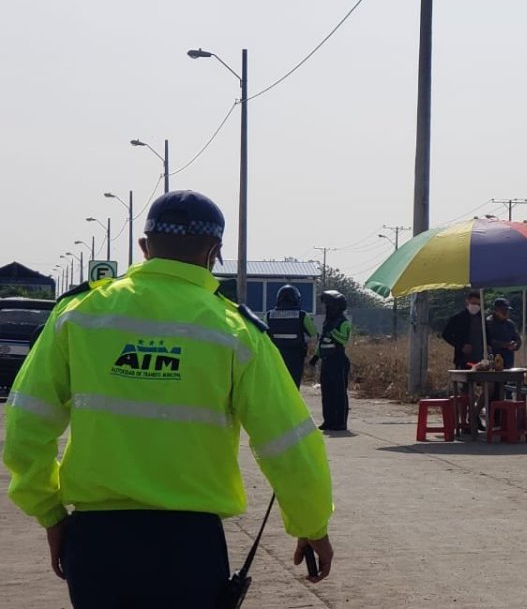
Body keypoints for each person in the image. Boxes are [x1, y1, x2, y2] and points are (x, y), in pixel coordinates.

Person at [3, 190, 334, 608]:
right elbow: (288, 440)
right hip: (189, 547)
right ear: (213, 251)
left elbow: (27, 424)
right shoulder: (235, 331)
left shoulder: (80, 314)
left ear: (144, 247)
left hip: (97, 543)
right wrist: (311, 523)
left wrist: (49, 513)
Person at [312, 290, 351, 432]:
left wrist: (333, 332)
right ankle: (328, 421)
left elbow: (344, 340)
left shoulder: (343, 322)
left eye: (329, 306)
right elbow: (322, 340)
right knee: (327, 392)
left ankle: (340, 422)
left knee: (339, 392)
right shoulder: (327, 321)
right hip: (326, 360)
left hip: (338, 360)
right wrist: (316, 356)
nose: (327, 309)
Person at [267, 285, 318, 387]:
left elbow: (263, 335)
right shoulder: (302, 315)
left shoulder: (269, 315)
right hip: (295, 357)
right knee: (293, 385)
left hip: (275, 355)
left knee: (277, 385)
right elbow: (314, 335)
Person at [440, 290, 484, 369]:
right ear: (467, 301)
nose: (476, 306)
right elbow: (446, 335)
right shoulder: (458, 318)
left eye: (478, 304)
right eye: (473, 303)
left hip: (480, 361)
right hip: (463, 360)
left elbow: (487, 335)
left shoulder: (482, 318)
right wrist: (461, 346)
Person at [486, 297, 522, 369]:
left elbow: (518, 339)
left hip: (508, 361)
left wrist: (515, 345)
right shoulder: (488, 323)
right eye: (503, 310)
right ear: (495, 310)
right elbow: (487, 341)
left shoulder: (510, 324)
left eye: (507, 310)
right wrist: (504, 345)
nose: (506, 312)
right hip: (493, 361)